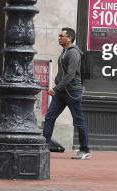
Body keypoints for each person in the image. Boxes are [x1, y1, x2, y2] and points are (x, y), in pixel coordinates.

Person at [42, 27, 91, 160]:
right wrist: (58, 87)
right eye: (59, 35)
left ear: (69, 38)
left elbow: (70, 75)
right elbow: (63, 74)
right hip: (62, 93)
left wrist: (56, 88)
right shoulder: (65, 51)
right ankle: (44, 146)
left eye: (61, 36)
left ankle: (85, 150)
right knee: (50, 117)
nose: (59, 38)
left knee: (78, 121)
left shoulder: (73, 53)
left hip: (72, 92)